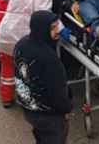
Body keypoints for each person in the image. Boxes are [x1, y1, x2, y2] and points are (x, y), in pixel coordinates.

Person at [14, 11, 72, 144]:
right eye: (52, 28)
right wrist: (67, 108)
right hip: (49, 116)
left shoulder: (21, 45)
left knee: (40, 137)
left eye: (57, 26)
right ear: (42, 29)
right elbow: (58, 92)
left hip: (29, 109)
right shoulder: (49, 59)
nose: (57, 31)